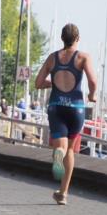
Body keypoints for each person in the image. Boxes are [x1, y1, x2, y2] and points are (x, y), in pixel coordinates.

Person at [34, 22, 98, 205]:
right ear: (77, 39)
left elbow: (38, 83)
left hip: (56, 107)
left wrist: (53, 82)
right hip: (76, 108)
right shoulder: (83, 57)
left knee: (60, 147)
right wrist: (92, 96)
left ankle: (58, 153)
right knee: (71, 149)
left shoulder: (52, 58)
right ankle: (63, 193)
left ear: (62, 38)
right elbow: (93, 81)